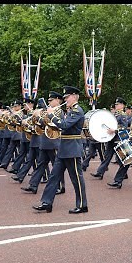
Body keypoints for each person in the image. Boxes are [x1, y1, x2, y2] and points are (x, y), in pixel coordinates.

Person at [32, 85, 88, 214]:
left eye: (67, 97)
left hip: (72, 149)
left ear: (74, 96)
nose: (65, 99)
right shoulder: (70, 110)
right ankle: (47, 202)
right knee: (53, 176)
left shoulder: (77, 111)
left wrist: (51, 116)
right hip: (64, 148)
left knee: (76, 179)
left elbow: (65, 125)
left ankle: (82, 205)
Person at [107, 100, 132, 189]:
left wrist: (131, 137)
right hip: (131, 144)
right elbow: (126, 128)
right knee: (125, 162)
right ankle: (118, 181)